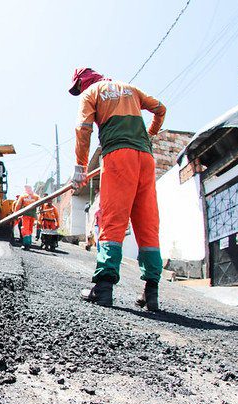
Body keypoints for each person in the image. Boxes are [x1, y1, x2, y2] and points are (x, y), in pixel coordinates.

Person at [68, 67, 166, 311]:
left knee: (113, 220)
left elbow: (83, 128)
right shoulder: (130, 89)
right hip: (146, 158)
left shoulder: (91, 92)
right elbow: (160, 109)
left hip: (118, 155)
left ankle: (103, 289)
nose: (79, 91)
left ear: (82, 82)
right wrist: (150, 134)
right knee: (147, 223)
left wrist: (80, 167)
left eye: (78, 87)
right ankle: (151, 293)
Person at [13, 185, 40, 250]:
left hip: (26, 215)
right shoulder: (36, 196)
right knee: (29, 229)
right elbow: (41, 203)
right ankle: (28, 243)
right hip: (32, 215)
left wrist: (16, 214)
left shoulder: (23, 196)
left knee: (25, 229)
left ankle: (26, 244)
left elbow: (18, 206)